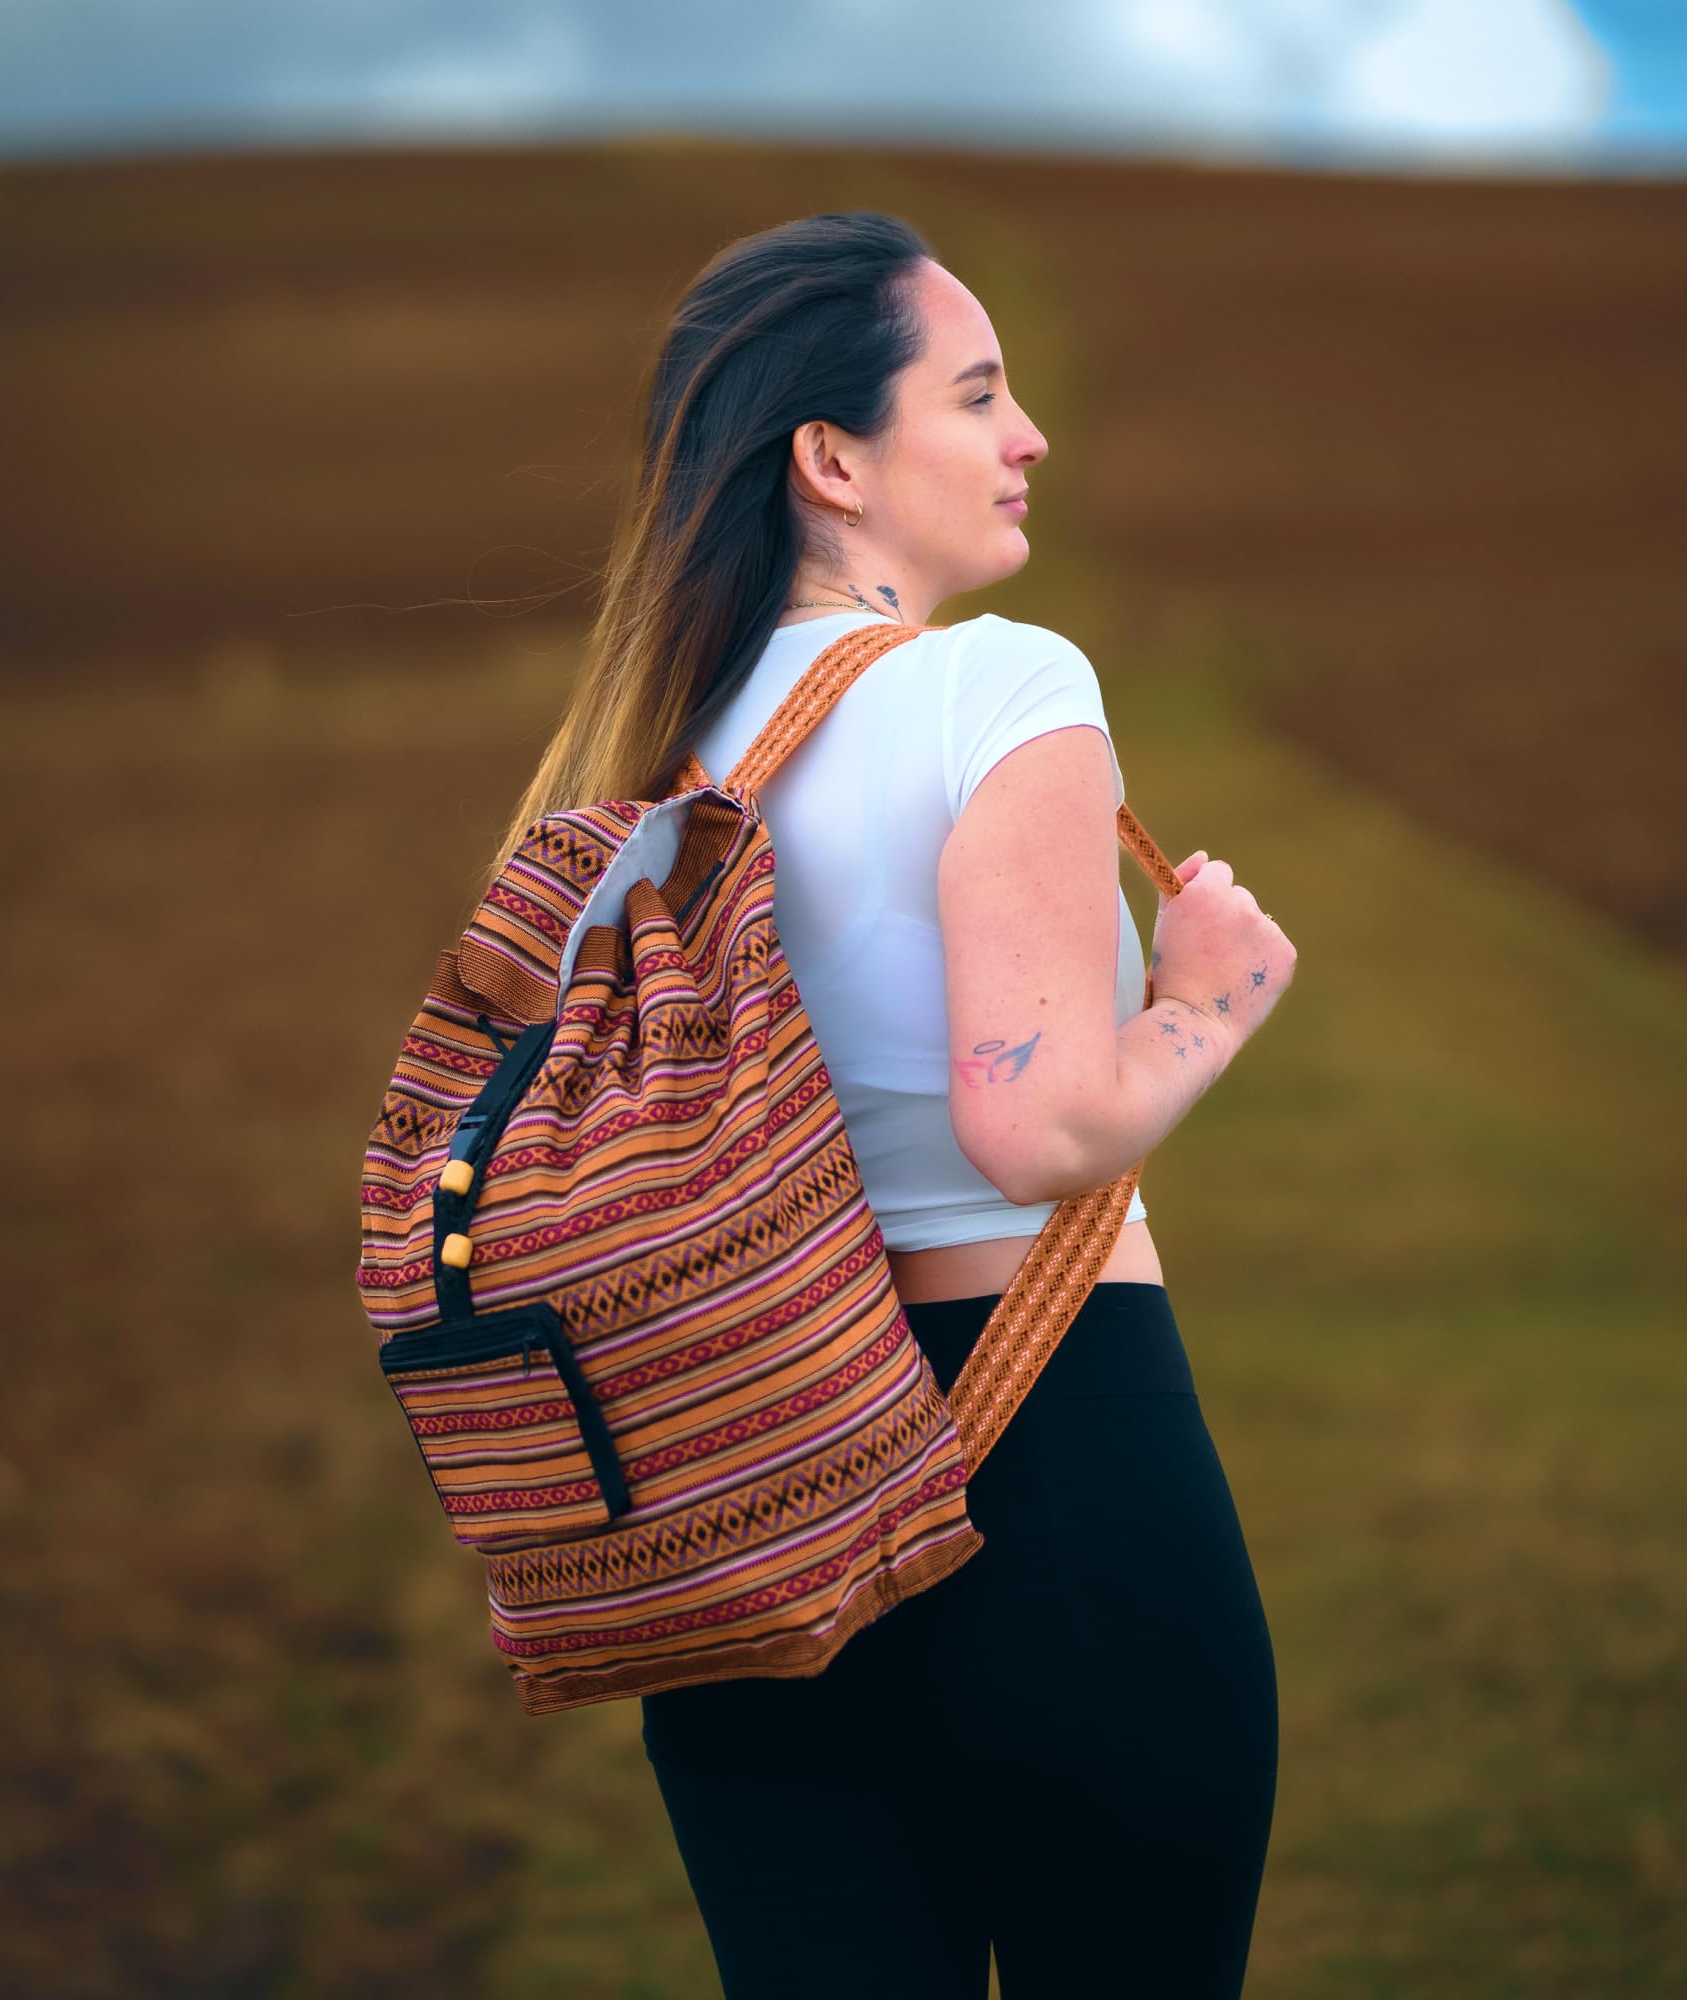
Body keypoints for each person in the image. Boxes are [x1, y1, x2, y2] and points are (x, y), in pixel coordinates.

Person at [489, 211, 1295, 1999]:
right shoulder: (998, 686)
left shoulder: (635, 790)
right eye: (982, 394)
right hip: (1058, 1482)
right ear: (833, 458)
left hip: (736, 1517)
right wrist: (1208, 996)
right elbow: (1038, 1126)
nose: (1031, 440)